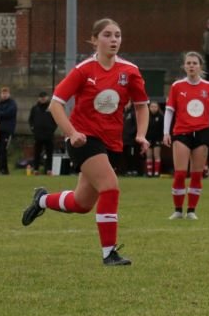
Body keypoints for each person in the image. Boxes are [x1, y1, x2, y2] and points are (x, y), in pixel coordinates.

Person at [21, 18, 150, 267]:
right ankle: (109, 254)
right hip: (84, 141)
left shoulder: (130, 71)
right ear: (94, 39)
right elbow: (56, 104)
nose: (114, 40)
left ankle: (41, 200)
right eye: (107, 35)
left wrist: (141, 134)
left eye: (118, 35)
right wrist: (71, 132)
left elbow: (142, 106)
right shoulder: (83, 70)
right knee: (111, 187)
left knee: (81, 204)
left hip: (111, 143)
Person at [164, 52, 209, 220]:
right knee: (180, 173)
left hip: (203, 133)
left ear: (200, 66)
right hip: (181, 132)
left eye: (194, 63)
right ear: (184, 66)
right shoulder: (177, 86)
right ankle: (177, 210)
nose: (191, 66)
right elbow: (169, 110)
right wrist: (166, 132)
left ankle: (191, 210)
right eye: (188, 63)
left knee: (197, 174)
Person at [29, 90, 57, 175]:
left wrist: (52, 129)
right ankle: (36, 169)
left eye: (44, 97)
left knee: (49, 153)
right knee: (37, 153)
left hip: (49, 134)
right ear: (39, 98)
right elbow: (31, 120)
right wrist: (33, 129)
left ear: (47, 98)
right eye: (41, 97)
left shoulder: (51, 107)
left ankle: (49, 170)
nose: (43, 99)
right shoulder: (35, 108)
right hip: (38, 135)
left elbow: (56, 119)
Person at [0, 86, 17, 174]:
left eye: (6, 93)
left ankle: (3, 169)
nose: (4, 95)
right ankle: (1, 168)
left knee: (3, 149)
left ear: (9, 94)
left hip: (7, 131)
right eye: (3, 93)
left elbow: (8, 113)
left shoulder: (12, 104)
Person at [145, 100, 165, 177]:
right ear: (149, 107)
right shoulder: (146, 116)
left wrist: (162, 138)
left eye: (155, 106)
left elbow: (163, 128)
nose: (153, 108)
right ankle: (149, 173)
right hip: (148, 139)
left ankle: (156, 173)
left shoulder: (161, 116)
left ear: (158, 107)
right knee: (149, 156)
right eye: (152, 106)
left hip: (157, 139)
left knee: (157, 155)